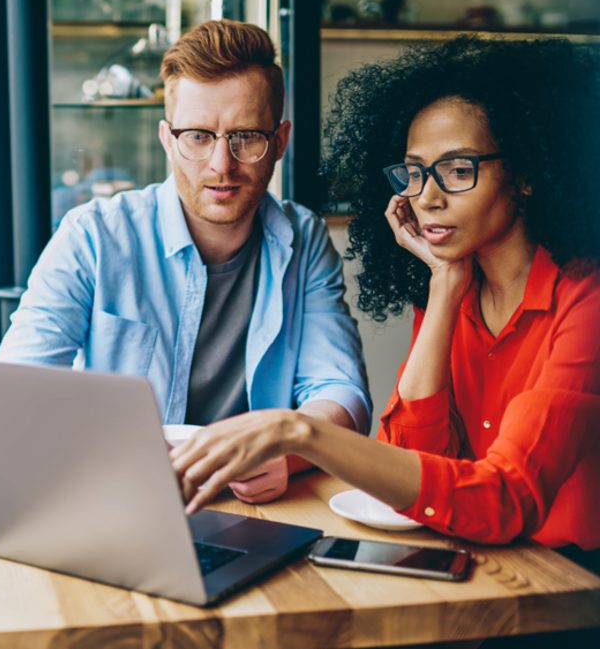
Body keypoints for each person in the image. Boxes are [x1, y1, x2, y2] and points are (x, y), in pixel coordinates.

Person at [171, 37, 600, 583]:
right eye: (416, 172)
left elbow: (505, 497)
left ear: (525, 173)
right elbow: (417, 465)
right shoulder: (456, 289)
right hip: (487, 567)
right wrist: (443, 287)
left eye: (458, 169)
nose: (428, 197)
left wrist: (298, 432)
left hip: (571, 586)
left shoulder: (587, 302)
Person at [0, 19, 371, 504]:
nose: (222, 164)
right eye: (197, 136)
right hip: (116, 496)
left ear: (279, 142)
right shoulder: (93, 235)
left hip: (258, 509)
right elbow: (16, 390)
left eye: (246, 137)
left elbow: (342, 391)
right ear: (167, 139)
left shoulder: (304, 239)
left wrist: (289, 454)